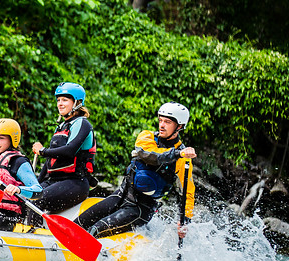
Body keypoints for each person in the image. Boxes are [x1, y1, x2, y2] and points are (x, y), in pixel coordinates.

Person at [74, 102, 197, 238]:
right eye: (160, 120)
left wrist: (185, 220)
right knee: (79, 223)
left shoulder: (183, 159)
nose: (162, 125)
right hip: (120, 196)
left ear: (179, 126)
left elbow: (188, 192)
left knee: (95, 230)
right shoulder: (147, 137)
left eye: (167, 122)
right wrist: (177, 154)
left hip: (140, 209)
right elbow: (150, 156)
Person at [32, 82, 96, 216]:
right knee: (27, 196)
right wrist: (36, 184)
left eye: (65, 100)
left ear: (77, 102)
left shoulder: (83, 124)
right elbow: (50, 161)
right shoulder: (61, 126)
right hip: (54, 180)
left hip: (75, 182)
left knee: (36, 200)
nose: (60, 103)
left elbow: (69, 151)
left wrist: (42, 151)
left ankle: (33, 232)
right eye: (58, 100)